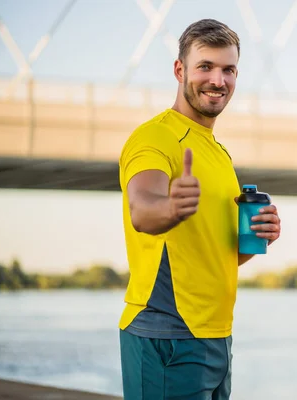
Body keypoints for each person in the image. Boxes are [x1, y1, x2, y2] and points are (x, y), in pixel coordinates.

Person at [117, 19, 281, 400]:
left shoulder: (219, 153)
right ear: (180, 70)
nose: (217, 80)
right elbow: (142, 211)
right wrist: (171, 206)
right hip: (166, 336)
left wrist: (259, 234)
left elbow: (217, 255)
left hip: (216, 337)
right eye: (205, 66)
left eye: (228, 70)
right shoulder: (154, 137)